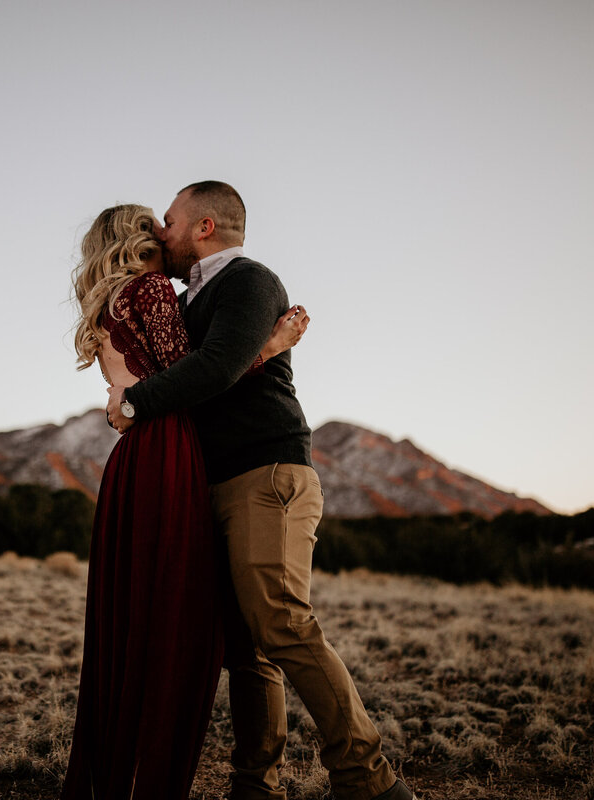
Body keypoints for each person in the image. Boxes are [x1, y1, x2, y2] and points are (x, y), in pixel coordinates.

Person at [105, 182, 415, 800]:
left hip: (266, 474)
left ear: (204, 227)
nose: (160, 233)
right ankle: (255, 788)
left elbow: (216, 370)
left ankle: (371, 784)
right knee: (246, 649)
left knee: (282, 625)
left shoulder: (249, 281)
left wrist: (135, 403)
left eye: (169, 221)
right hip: (215, 482)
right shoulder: (187, 298)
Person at [61, 203, 306, 800]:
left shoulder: (106, 302)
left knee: (132, 618)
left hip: (133, 459)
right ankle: (155, 778)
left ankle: (116, 770)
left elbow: (137, 388)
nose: (163, 231)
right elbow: (197, 377)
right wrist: (272, 346)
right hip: (168, 452)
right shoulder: (148, 290)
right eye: (155, 222)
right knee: (176, 618)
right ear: (139, 236)